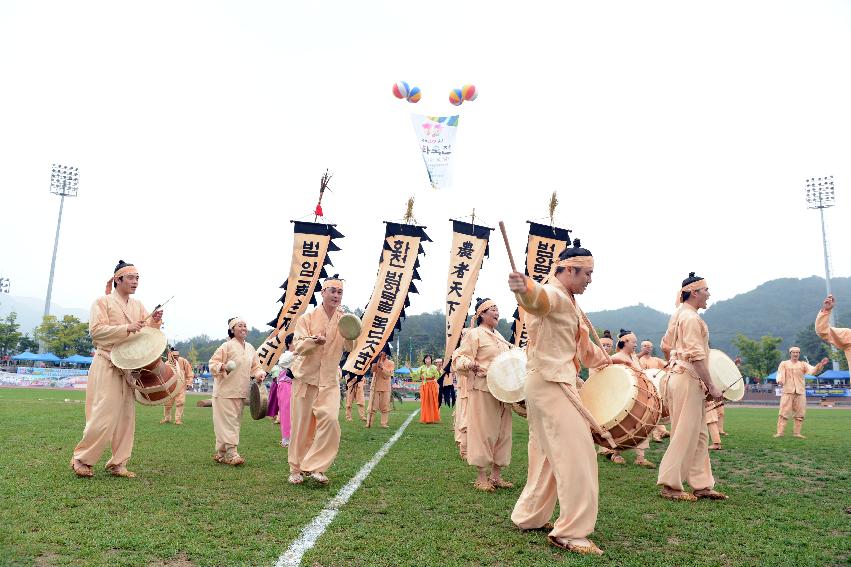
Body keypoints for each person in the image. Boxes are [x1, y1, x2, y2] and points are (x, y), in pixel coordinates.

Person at [509, 239, 610, 556]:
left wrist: (609, 361)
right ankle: (571, 532)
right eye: (587, 274)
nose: (590, 280)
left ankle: (529, 516)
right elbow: (536, 300)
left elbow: (580, 347)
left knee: (548, 456)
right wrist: (523, 287)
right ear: (568, 270)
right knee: (578, 454)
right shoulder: (552, 293)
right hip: (551, 383)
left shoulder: (568, 299)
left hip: (550, 382)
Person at [70, 260, 164, 478]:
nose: (135, 282)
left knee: (126, 417)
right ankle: (81, 458)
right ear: (117, 279)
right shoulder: (101, 302)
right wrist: (126, 328)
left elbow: (144, 335)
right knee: (103, 414)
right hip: (107, 361)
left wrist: (155, 323)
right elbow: (96, 331)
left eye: (138, 278)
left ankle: (118, 463)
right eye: (131, 278)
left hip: (129, 367)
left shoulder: (138, 305)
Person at [657, 272, 727, 502]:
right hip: (687, 376)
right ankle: (670, 485)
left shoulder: (679, 314)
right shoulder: (690, 318)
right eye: (706, 290)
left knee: (698, 434)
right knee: (685, 433)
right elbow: (696, 356)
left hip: (682, 376)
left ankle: (702, 484)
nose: (709, 294)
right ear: (695, 292)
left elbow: (666, 344)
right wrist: (712, 386)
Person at [288, 275, 355, 486]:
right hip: (305, 379)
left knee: (331, 420)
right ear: (322, 293)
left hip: (329, 381)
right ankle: (296, 469)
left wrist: (351, 333)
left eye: (340, 292)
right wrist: (313, 341)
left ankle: (317, 467)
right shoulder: (306, 319)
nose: (336, 295)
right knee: (302, 426)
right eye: (332, 291)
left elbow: (349, 347)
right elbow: (298, 346)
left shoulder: (344, 319)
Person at [453, 298, 514, 491]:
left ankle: (496, 476)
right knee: (483, 431)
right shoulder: (475, 334)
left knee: (503, 433)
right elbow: (459, 357)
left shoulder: (500, 336)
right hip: (482, 388)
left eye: (498, 309)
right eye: (493, 309)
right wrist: (470, 364)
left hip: (503, 391)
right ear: (482, 314)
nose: (497, 312)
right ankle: (481, 477)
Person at [209, 317, 266, 466]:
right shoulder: (226, 346)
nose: (243, 328)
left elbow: (255, 366)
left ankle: (221, 453)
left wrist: (259, 374)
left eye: (245, 326)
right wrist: (223, 367)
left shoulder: (250, 348)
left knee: (233, 422)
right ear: (232, 330)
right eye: (240, 326)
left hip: (240, 392)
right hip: (224, 392)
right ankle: (232, 453)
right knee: (230, 423)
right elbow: (212, 363)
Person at [608, 330, 655, 468]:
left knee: (642, 424)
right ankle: (615, 454)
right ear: (625, 342)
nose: (636, 344)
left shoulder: (634, 357)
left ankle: (640, 457)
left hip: (638, 396)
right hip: (621, 397)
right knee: (621, 427)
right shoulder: (616, 357)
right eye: (634, 342)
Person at [773, 346, 828, 438]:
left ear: (799, 354)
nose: (795, 354)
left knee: (800, 413)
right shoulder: (784, 364)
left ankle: (797, 433)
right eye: (793, 352)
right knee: (783, 412)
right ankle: (780, 432)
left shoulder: (803, 364)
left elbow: (813, 371)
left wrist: (821, 364)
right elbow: (779, 373)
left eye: (797, 352)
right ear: (790, 353)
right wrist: (780, 380)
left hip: (800, 392)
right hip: (788, 391)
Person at [638, 340, 670, 442]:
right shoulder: (637, 360)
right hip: (643, 388)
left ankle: (661, 431)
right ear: (641, 347)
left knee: (658, 408)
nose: (647, 348)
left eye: (649, 346)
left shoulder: (656, 360)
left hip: (657, 389)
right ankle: (657, 433)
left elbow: (667, 367)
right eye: (645, 346)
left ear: (652, 348)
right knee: (650, 411)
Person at [161, 347, 194, 425]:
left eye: (177, 356)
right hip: (170, 387)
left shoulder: (183, 361)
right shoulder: (167, 363)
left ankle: (178, 420)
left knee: (180, 402)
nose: (176, 357)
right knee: (167, 404)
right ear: (170, 356)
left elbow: (190, 373)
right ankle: (167, 418)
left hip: (181, 386)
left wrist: (189, 383)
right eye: (174, 356)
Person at [367, 349, 395, 428]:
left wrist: (382, 367)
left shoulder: (391, 363)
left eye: (384, 352)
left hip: (386, 388)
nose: (382, 354)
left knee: (385, 407)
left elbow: (389, 374)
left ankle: (384, 423)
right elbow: (372, 371)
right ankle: (369, 423)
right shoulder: (375, 361)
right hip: (375, 387)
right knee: (372, 407)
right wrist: (375, 364)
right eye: (381, 352)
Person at [277, 334, 295, 447]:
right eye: (295, 341)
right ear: (289, 343)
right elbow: (282, 362)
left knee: (296, 412)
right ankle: (286, 439)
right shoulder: (286, 355)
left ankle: (295, 436)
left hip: (296, 385)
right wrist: (296, 353)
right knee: (286, 411)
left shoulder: (299, 355)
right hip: (285, 385)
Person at [412, 354, 441, 423]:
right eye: (426, 359)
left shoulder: (434, 367)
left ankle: (433, 418)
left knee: (433, 401)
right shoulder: (422, 367)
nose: (427, 360)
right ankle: (426, 418)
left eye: (429, 358)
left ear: (431, 360)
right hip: (424, 385)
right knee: (425, 401)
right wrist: (409, 368)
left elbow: (438, 376)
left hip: (432, 385)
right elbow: (415, 374)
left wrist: (439, 370)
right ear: (424, 360)